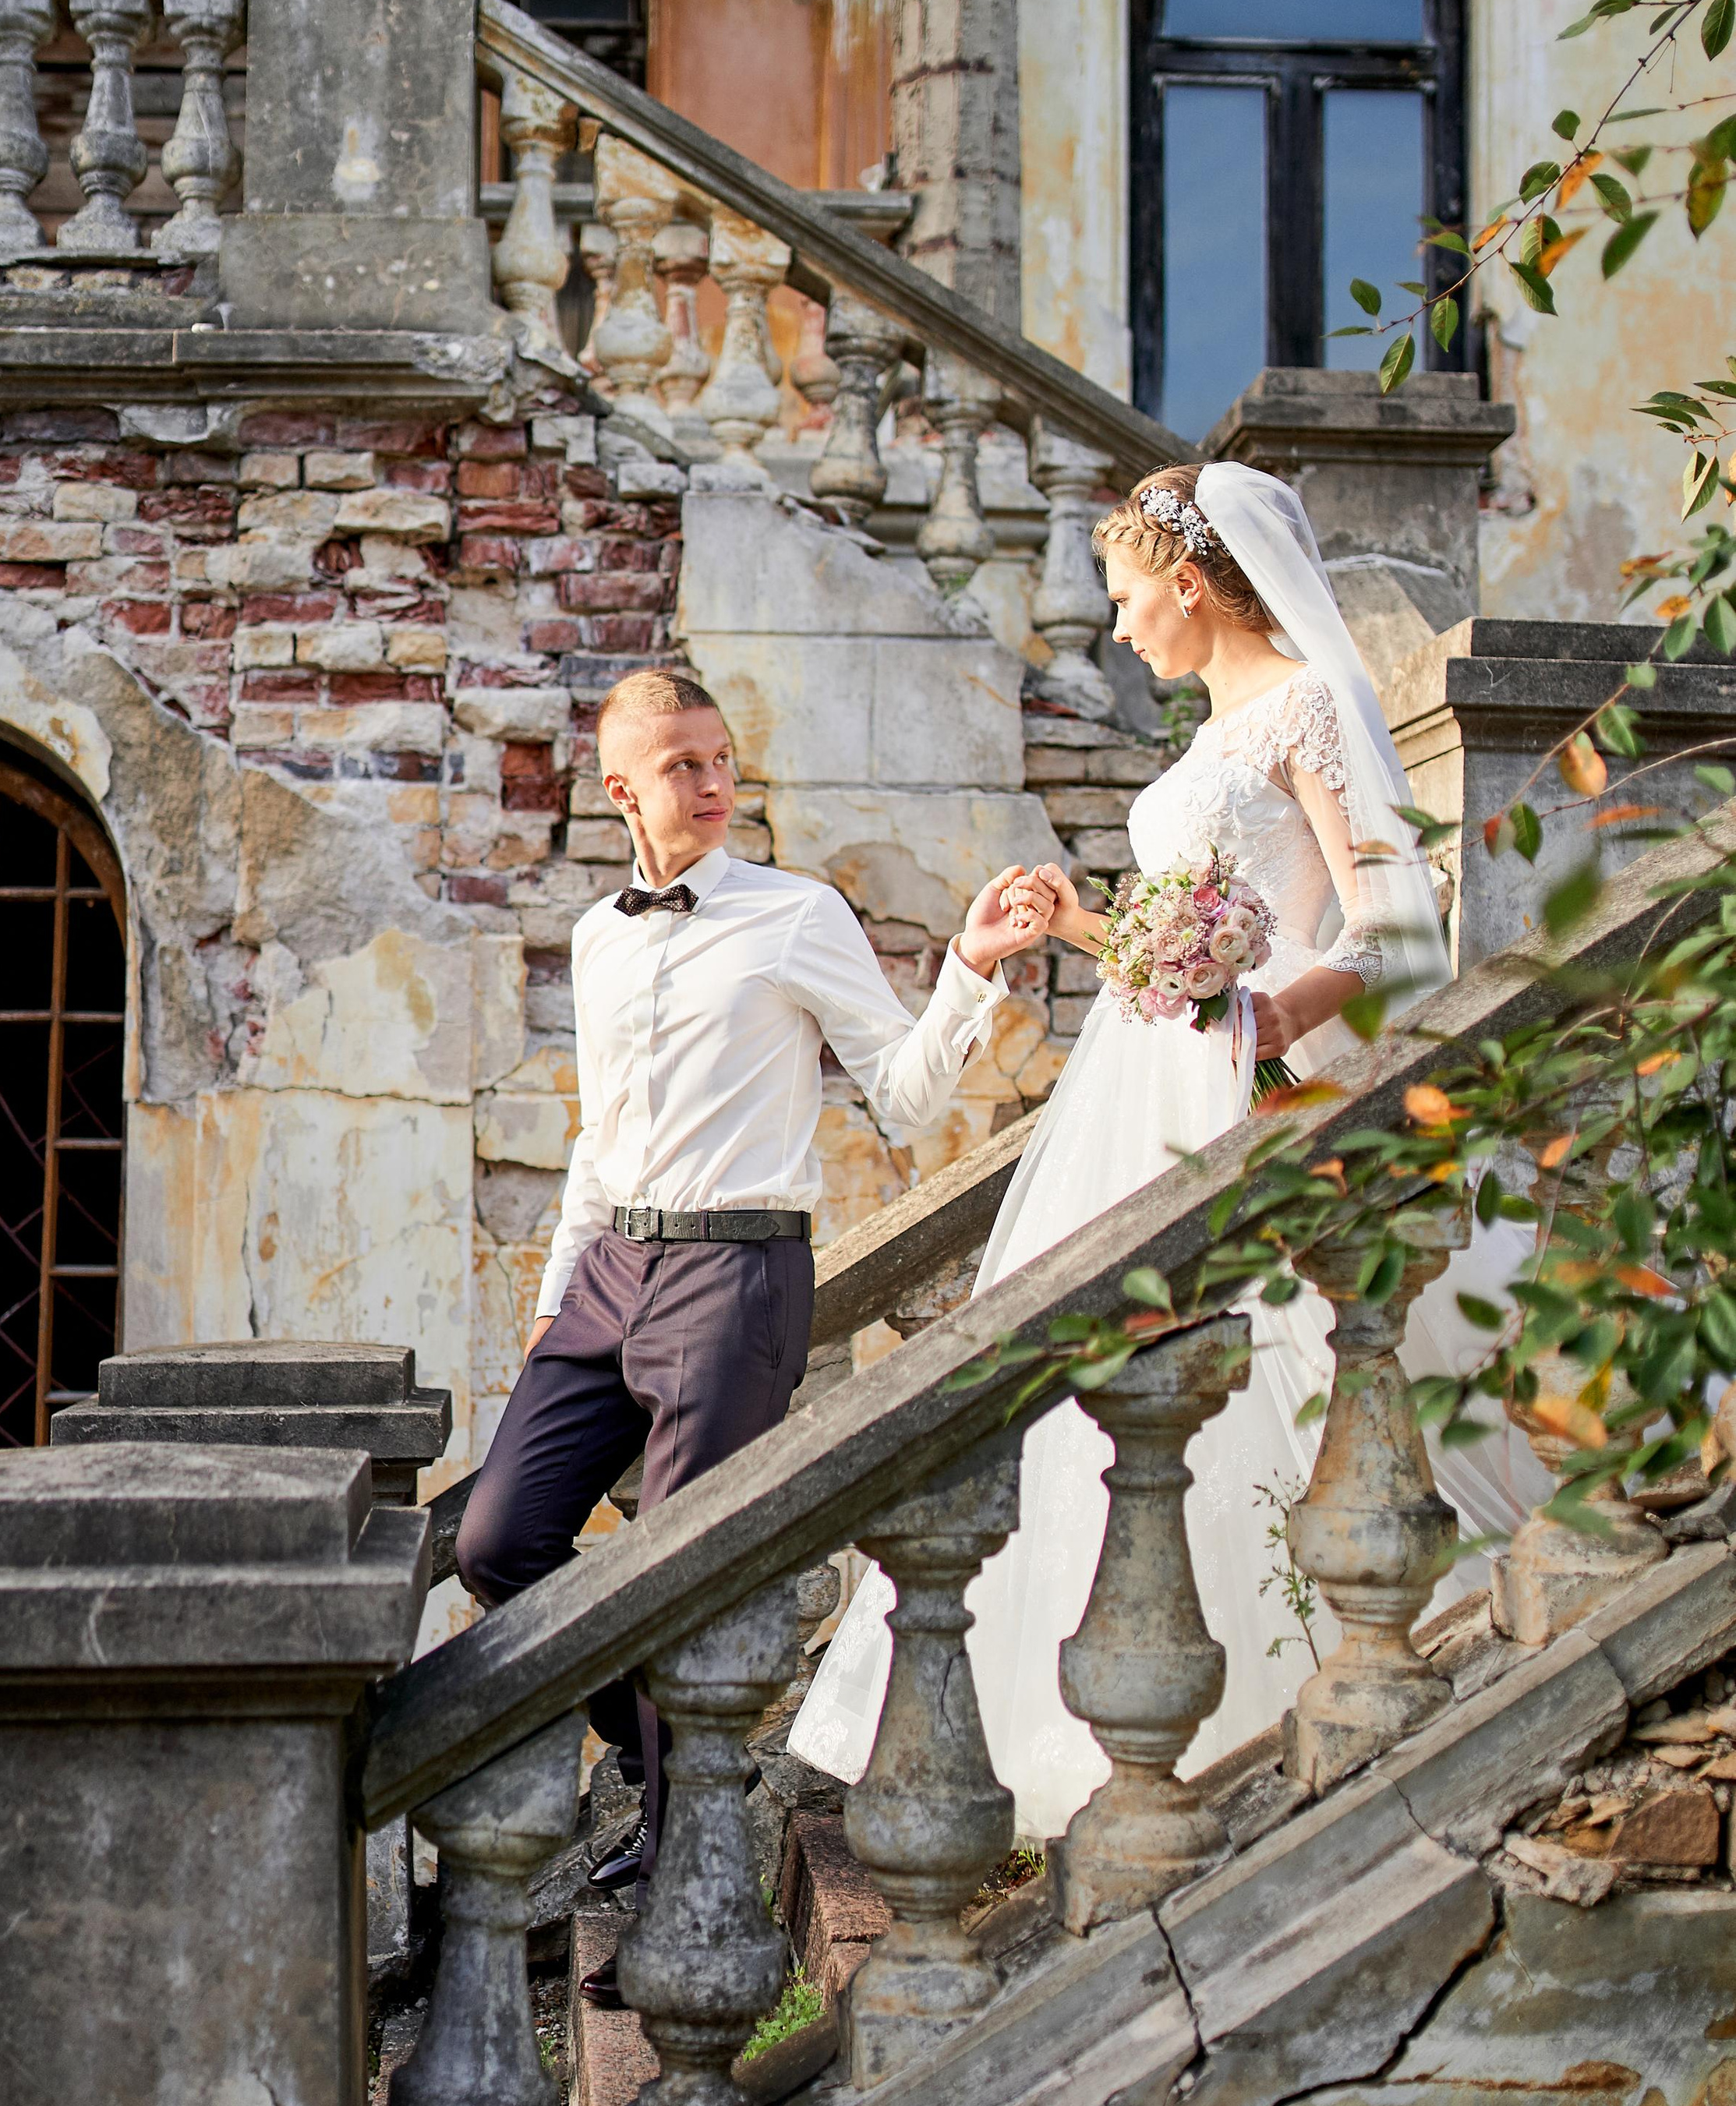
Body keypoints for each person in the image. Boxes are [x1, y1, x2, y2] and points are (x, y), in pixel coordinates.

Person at [790, 459, 1547, 1840]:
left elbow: (1393, 936)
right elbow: (1180, 958)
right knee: (1102, 1385)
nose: (1123, 628)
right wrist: (1078, 927)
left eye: (1131, 598)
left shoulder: (1309, 710)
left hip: (1242, 1100)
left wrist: (1266, 1016)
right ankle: (1090, 1722)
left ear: (1193, 584)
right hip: (1143, 1094)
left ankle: (1280, 1693)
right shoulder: (1205, 737)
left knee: (1242, 1367)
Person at [454, 665, 1052, 1998]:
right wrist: (560, 1290)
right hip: (611, 1270)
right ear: (624, 790)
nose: (715, 784)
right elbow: (598, 1137)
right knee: (500, 1539)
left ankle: (688, 1902)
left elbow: (900, 1098)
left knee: (690, 1583)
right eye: (684, 766)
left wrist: (969, 970)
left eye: (723, 760)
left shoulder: (797, 916)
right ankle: (637, 1735)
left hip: (737, 1275)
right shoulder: (599, 937)